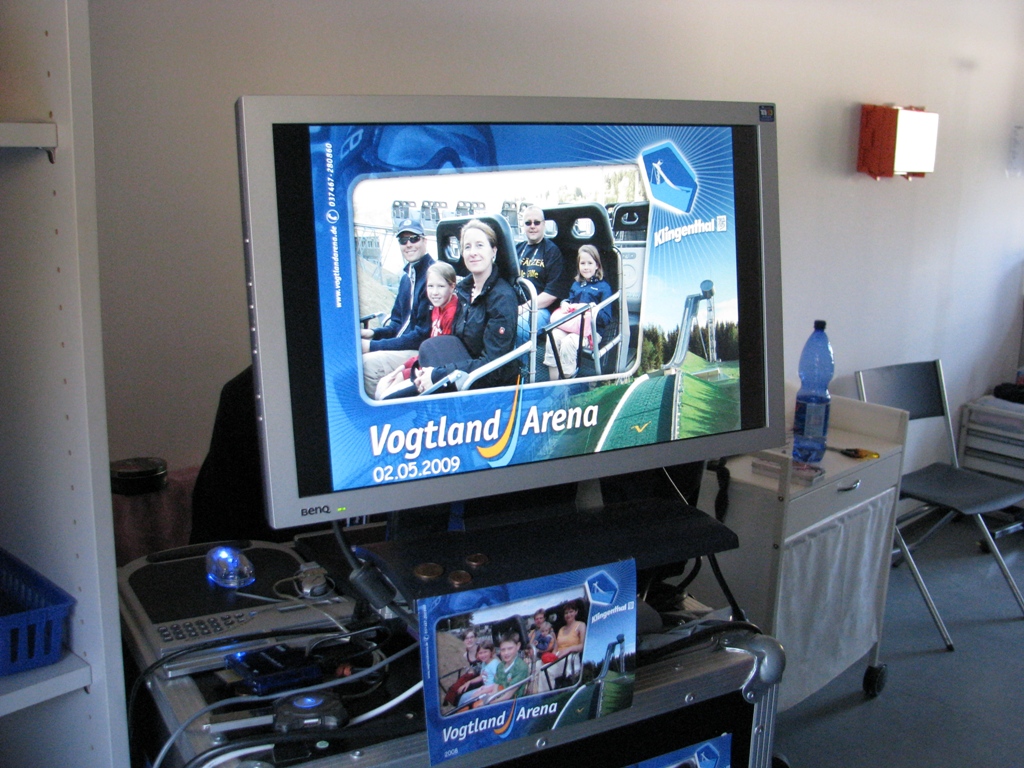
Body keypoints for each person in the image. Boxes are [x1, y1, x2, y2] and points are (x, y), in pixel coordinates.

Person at [414, 220, 518, 393]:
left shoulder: (502, 298)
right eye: (467, 247)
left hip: (485, 383)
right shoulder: (463, 291)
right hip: (460, 368)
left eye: (479, 245)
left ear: (493, 251)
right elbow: (451, 342)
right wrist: (423, 372)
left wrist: (438, 375)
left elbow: (492, 366)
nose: (473, 252)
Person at [361, 219, 435, 396]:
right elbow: (397, 323)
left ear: (424, 241)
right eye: (403, 240)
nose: (408, 244)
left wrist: (372, 346)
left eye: (414, 239)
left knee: (366, 365)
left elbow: (421, 335)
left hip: (420, 349)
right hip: (404, 344)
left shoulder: (433, 278)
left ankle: (377, 410)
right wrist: (373, 333)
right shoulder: (406, 278)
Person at [374, 261, 459, 400]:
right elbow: (429, 349)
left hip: (434, 374)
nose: (434, 292)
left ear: (452, 287)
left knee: (386, 397)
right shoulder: (436, 309)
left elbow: (440, 357)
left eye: (441, 286)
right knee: (384, 385)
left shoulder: (451, 313)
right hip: (425, 365)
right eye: (430, 286)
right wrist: (403, 368)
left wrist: (409, 373)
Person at [543, 244, 613, 380]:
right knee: (553, 337)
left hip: (591, 332)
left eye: (590, 263)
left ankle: (567, 381)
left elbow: (606, 318)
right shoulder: (576, 285)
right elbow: (570, 301)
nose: (586, 267)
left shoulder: (604, 288)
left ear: (597, 266)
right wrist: (565, 304)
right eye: (582, 263)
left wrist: (593, 311)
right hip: (573, 326)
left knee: (568, 343)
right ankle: (553, 383)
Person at [515, 205, 571, 345]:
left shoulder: (552, 252)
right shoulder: (517, 249)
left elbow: (551, 294)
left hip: (542, 309)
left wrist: (523, 308)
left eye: (537, 222)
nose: (532, 226)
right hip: (516, 305)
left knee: (520, 327)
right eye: (528, 223)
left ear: (544, 224)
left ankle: (524, 360)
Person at [456, 639, 499, 707]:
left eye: (485, 652)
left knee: (469, 702)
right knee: (464, 697)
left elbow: (498, 683)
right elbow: (482, 676)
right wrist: (469, 682)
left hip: (492, 691)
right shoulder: (484, 663)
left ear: (491, 652)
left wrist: (481, 692)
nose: (483, 655)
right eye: (480, 653)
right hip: (484, 688)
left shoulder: (494, 664)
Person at [491, 632, 531, 702]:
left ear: (518, 646)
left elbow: (508, 695)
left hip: (514, 702)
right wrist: (490, 699)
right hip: (499, 698)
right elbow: (495, 690)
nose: (506, 653)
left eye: (510, 648)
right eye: (503, 650)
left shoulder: (521, 667)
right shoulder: (500, 666)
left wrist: (493, 703)